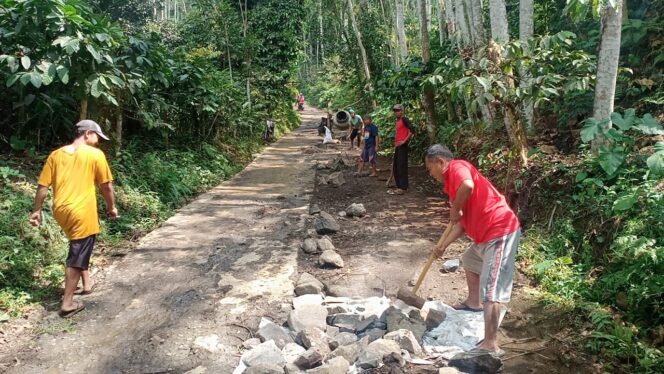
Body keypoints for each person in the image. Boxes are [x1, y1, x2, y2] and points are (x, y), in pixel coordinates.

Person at [424, 144, 521, 356]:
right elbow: (460, 224)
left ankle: (490, 343)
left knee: (491, 287)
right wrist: (442, 246)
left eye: (430, 168)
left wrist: (455, 207)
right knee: (469, 260)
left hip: (499, 231)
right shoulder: (450, 185)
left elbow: (468, 185)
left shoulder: (458, 167)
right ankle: (473, 302)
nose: (430, 173)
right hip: (483, 236)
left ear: (440, 161)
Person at [29, 120, 118, 318]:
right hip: (82, 210)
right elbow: (106, 186)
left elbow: (43, 186)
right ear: (87, 134)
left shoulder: (56, 154)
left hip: (60, 210)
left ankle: (87, 284)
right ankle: (67, 303)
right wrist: (111, 207)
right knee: (78, 252)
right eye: (97, 137)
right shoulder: (95, 154)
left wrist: (36, 210)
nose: (98, 142)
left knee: (79, 244)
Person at [388, 104, 415, 195]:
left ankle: (403, 187)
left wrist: (404, 141)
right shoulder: (398, 121)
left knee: (401, 166)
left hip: (402, 146)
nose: (396, 112)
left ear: (402, 111)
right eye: (395, 110)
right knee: (396, 166)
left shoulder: (404, 119)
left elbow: (412, 130)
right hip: (398, 146)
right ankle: (399, 185)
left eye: (398, 110)